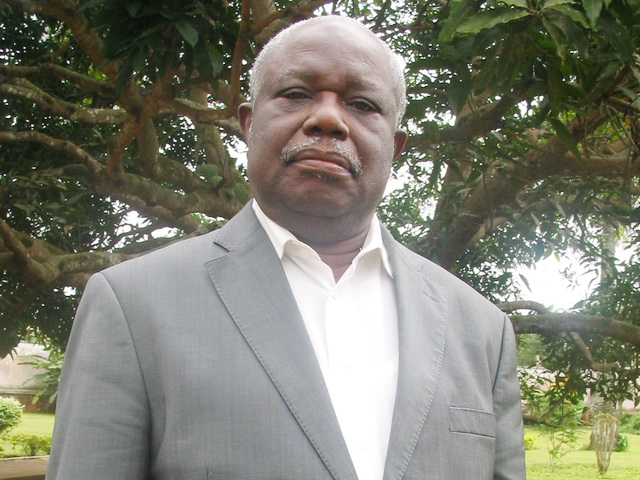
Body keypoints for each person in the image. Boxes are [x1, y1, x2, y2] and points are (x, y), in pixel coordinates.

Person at [47, 15, 525, 480]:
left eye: (362, 104)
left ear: (395, 146)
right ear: (249, 123)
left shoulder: (482, 330)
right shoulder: (132, 305)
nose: (327, 118)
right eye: (296, 94)